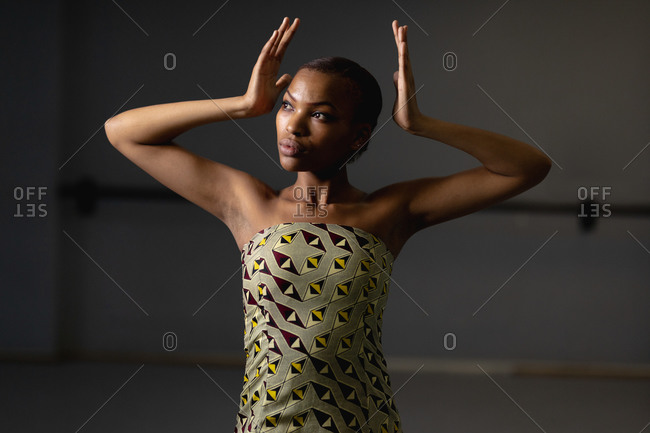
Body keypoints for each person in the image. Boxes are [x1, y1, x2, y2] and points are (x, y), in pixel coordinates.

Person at [105, 17, 551, 433]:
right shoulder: (247, 202)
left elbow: (526, 167)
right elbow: (123, 131)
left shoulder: (389, 212)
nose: (293, 125)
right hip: (267, 424)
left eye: (319, 115)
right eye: (286, 106)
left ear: (359, 135)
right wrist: (242, 105)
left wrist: (420, 124)